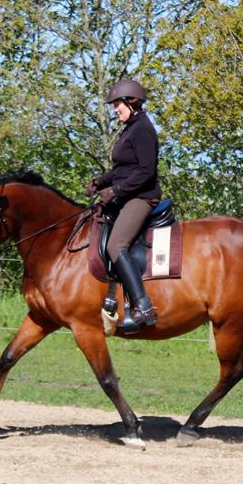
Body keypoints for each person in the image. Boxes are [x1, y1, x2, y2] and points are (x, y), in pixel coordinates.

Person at [87, 78, 161, 331]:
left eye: (118, 104)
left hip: (142, 197)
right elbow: (122, 169)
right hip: (128, 195)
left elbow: (145, 171)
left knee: (116, 244)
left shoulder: (143, 129)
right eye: (114, 105)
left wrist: (115, 190)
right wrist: (101, 182)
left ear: (132, 102)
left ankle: (144, 307)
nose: (115, 109)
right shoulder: (129, 128)